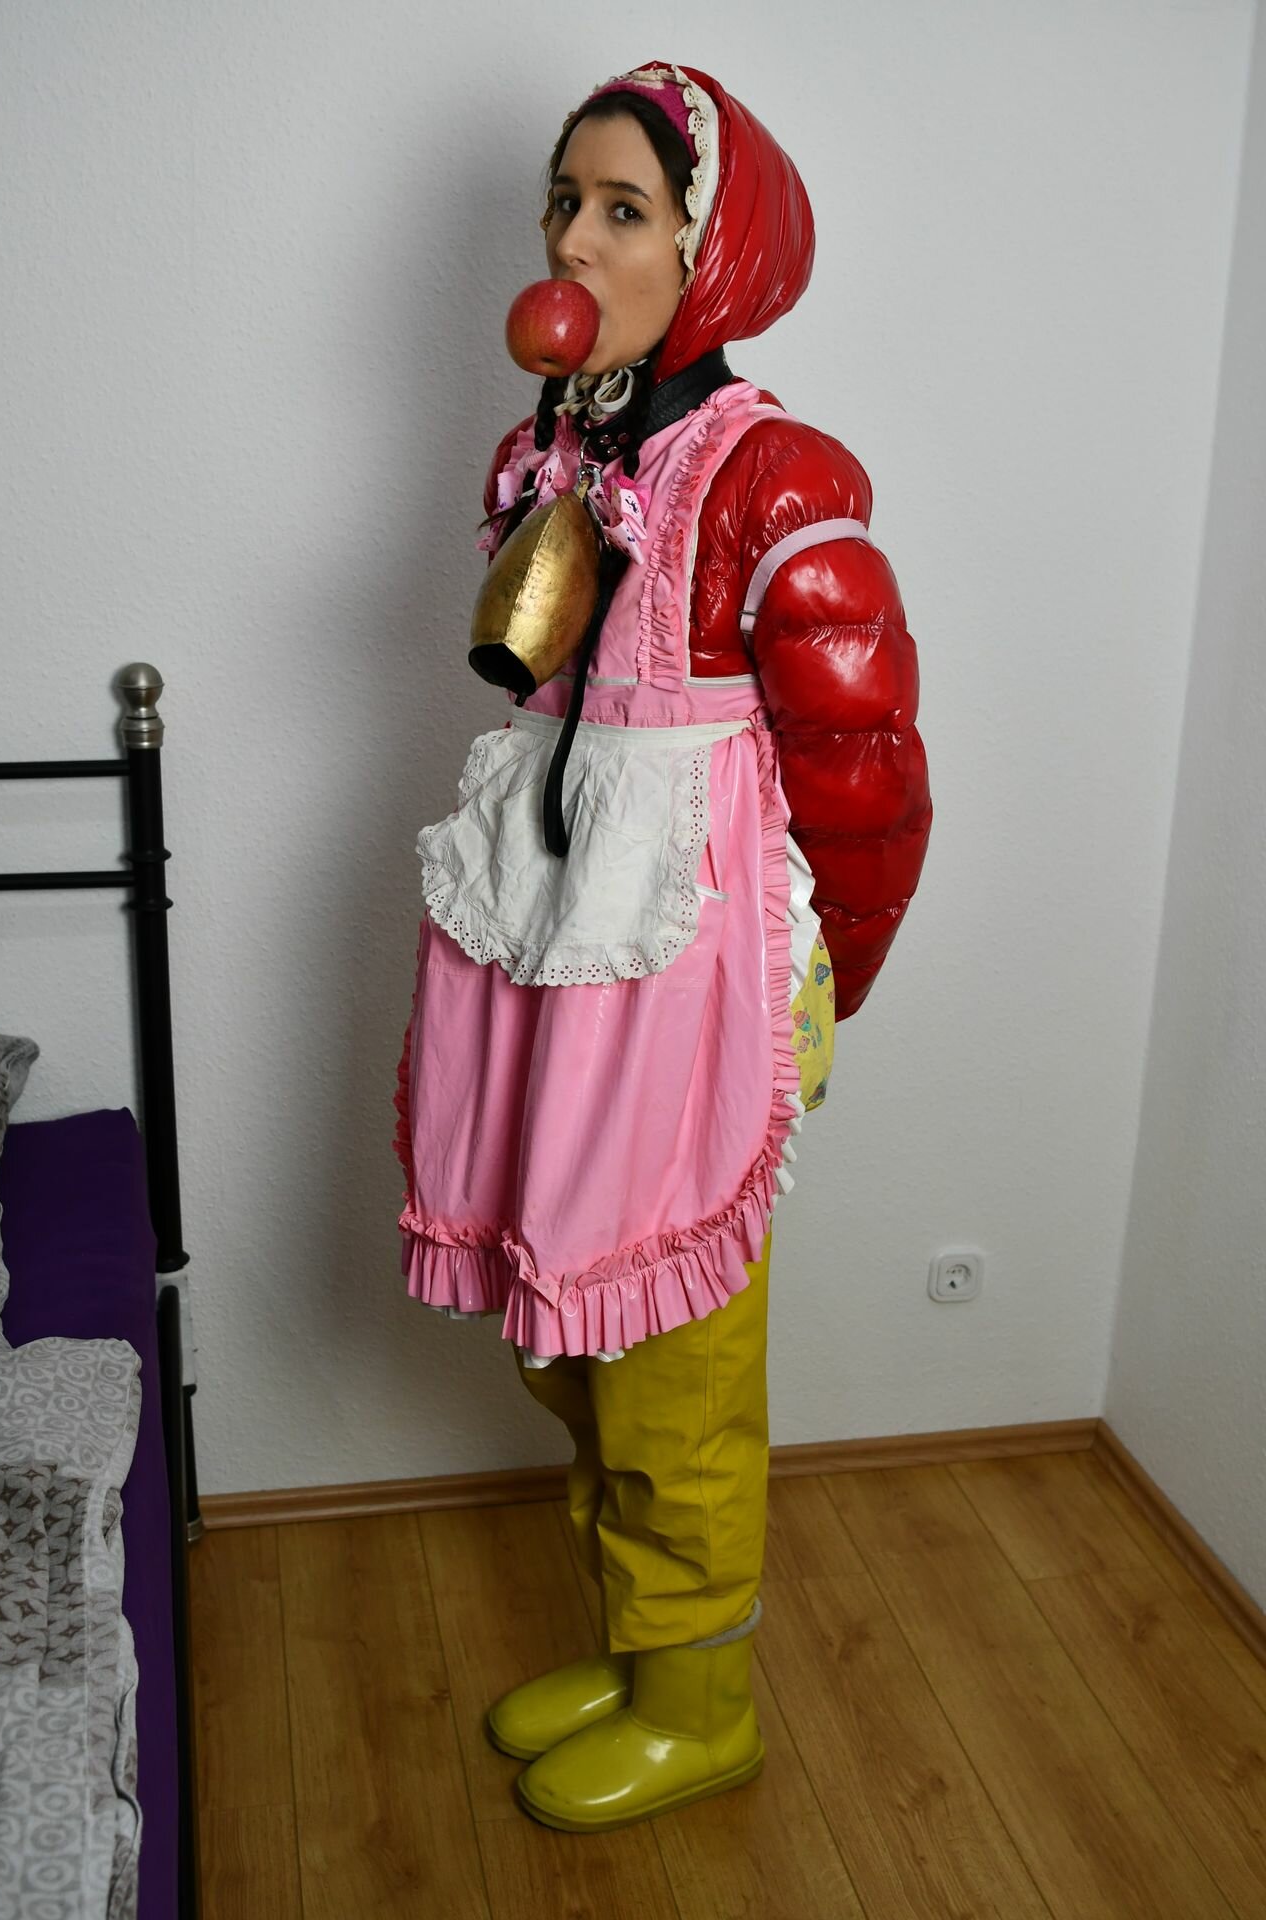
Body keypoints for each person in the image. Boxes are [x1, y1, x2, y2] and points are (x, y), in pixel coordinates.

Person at [391, 59, 932, 1832]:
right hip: (556, 949)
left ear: (716, 246)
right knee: (566, 1328)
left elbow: (862, 759)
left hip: (690, 973)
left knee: (673, 1358)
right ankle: (637, 1651)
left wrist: (824, 975)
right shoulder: (555, 451)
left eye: (623, 208)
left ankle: (703, 1702)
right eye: (565, 201)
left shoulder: (775, 475)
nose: (572, 239)